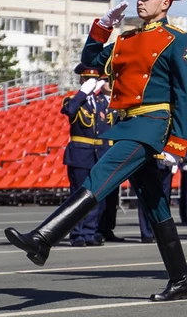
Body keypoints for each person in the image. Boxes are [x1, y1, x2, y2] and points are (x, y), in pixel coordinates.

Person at [5, 0, 187, 302]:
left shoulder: (177, 40)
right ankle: (181, 282)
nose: (141, 2)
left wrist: (177, 145)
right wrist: (103, 28)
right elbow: (90, 63)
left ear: (165, 2)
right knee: (156, 206)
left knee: (99, 175)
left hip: (151, 126)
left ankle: (44, 238)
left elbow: (184, 94)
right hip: (126, 123)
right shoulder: (125, 39)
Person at [61, 64, 113, 246]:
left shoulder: (100, 104)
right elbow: (70, 111)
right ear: (81, 81)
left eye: (94, 80)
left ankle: (90, 232)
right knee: (78, 197)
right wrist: (83, 92)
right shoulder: (73, 100)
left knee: (94, 196)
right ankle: (77, 234)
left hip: (98, 156)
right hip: (80, 156)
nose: (90, 83)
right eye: (86, 80)